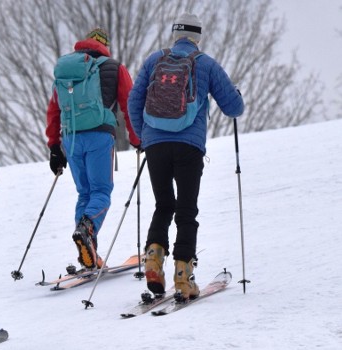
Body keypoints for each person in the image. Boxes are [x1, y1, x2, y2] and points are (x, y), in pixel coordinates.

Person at [127, 13, 244, 299]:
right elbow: (233, 108)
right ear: (197, 37)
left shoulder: (154, 60)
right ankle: (183, 275)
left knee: (163, 204)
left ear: (175, 34)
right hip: (189, 146)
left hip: (155, 144)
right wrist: (237, 96)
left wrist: (145, 136)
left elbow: (133, 100)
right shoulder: (205, 63)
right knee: (186, 209)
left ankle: (154, 258)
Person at [46, 27, 140, 269]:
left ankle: (88, 249)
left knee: (85, 194)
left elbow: (54, 110)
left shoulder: (67, 70)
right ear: (104, 45)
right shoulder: (113, 67)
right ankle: (87, 230)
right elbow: (129, 103)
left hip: (71, 138)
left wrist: (55, 147)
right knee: (101, 192)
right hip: (99, 135)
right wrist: (136, 138)